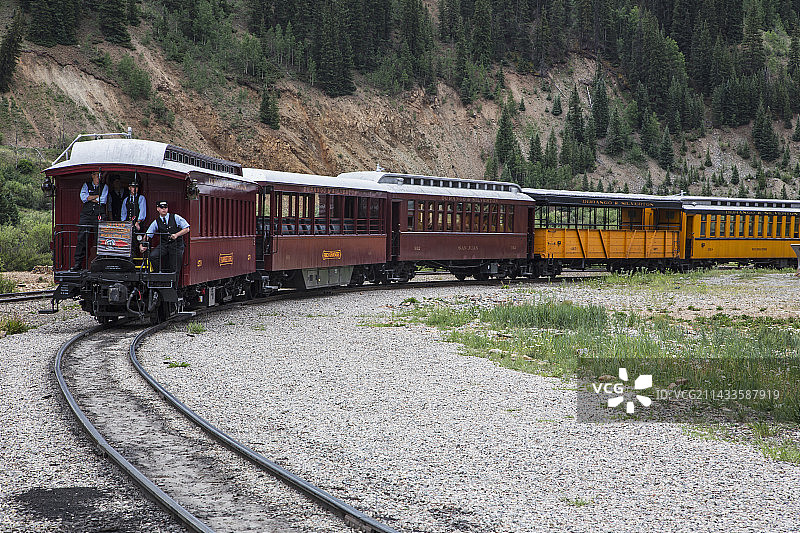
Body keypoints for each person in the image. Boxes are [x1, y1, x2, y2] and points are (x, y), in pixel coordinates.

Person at [140, 201, 190, 279]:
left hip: (176, 245)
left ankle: (174, 288)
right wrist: (142, 244)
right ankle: (157, 275)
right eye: (161, 208)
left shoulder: (176, 217)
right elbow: (148, 234)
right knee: (153, 256)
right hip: (165, 245)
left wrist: (176, 234)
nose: (164, 209)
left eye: (165, 207)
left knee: (174, 268)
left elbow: (187, 229)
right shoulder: (156, 222)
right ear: (157, 209)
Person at [72, 171, 108, 270]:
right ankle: (78, 263)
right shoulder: (86, 185)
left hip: (98, 214)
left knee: (99, 239)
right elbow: (83, 198)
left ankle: (99, 263)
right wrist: (96, 197)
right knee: (81, 238)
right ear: (92, 176)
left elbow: (103, 200)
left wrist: (90, 198)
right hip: (86, 215)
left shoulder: (104, 186)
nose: (98, 179)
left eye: (100, 177)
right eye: (97, 176)